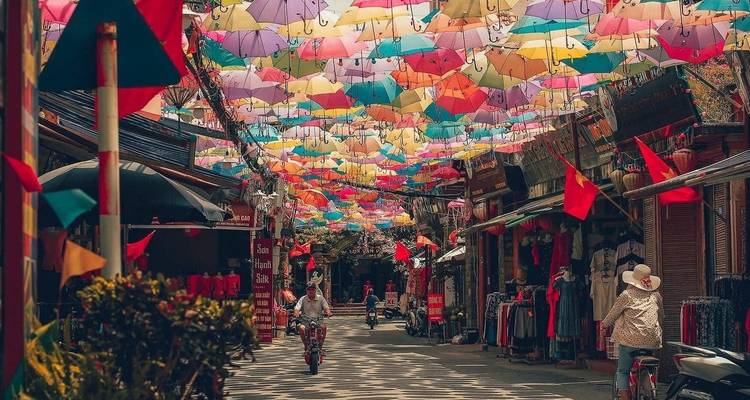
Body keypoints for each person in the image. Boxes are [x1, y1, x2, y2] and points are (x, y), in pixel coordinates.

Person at [601, 264, 663, 400]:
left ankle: (624, 397)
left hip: (630, 340)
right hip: (652, 340)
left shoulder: (626, 295)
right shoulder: (656, 295)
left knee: (623, 371)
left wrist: (604, 325)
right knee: (648, 363)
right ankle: (648, 385)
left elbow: (613, 315)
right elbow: (661, 316)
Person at [294, 283, 333, 353]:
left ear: (315, 290)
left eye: (312, 289)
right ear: (306, 291)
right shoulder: (303, 299)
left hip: (318, 321)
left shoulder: (321, 298)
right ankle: (306, 345)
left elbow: (326, 307)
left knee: (324, 327)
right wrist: (296, 312)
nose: (311, 291)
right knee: (301, 328)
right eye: (309, 289)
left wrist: (328, 312)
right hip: (306, 321)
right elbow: (297, 308)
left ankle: (321, 345)